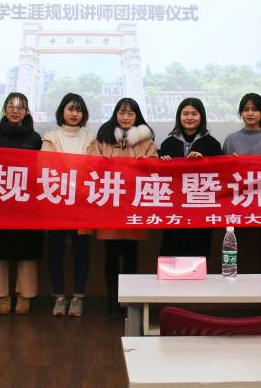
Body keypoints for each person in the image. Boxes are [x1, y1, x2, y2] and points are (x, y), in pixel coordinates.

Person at [87, 97, 157, 319]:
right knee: (111, 255)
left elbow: (154, 168)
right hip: (110, 205)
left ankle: (129, 303)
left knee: (131, 255)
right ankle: (112, 302)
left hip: (134, 206)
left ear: (137, 116)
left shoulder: (146, 140)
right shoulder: (104, 137)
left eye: (130, 113)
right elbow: (91, 165)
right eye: (122, 113)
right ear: (115, 114)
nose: (126, 117)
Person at [0, 93, 43, 316]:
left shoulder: (35, 139)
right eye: (11, 106)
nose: (15, 110)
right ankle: (2, 295)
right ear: (5, 109)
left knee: (26, 250)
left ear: (26, 111)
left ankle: (25, 295)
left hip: (27, 201)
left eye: (20, 107)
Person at [41, 93, 93, 317]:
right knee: (56, 252)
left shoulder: (91, 138)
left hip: (82, 204)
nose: (74, 114)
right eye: (70, 109)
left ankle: (78, 298)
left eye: (79, 110)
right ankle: (59, 297)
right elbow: (44, 167)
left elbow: (94, 169)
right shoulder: (50, 137)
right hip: (57, 204)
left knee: (81, 253)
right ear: (62, 111)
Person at [222, 93, 261, 272]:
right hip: (238, 203)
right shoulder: (231, 139)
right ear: (240, 113)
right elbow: (223, 174)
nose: (250, 113)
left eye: (255, 109)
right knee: (239, 248)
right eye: (246, 109)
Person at [158, 97, 222, 260]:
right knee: (172, 252)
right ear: (179, 116)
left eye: (194, 114)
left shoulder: (213, 144)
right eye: (185, 113)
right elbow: (159, 177)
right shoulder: (167, 144)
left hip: (201, 208)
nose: (189, 117)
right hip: (174, 209)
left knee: (198, 253)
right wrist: (162, 162)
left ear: (202, 117)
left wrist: (205, 161)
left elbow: (220, 175)